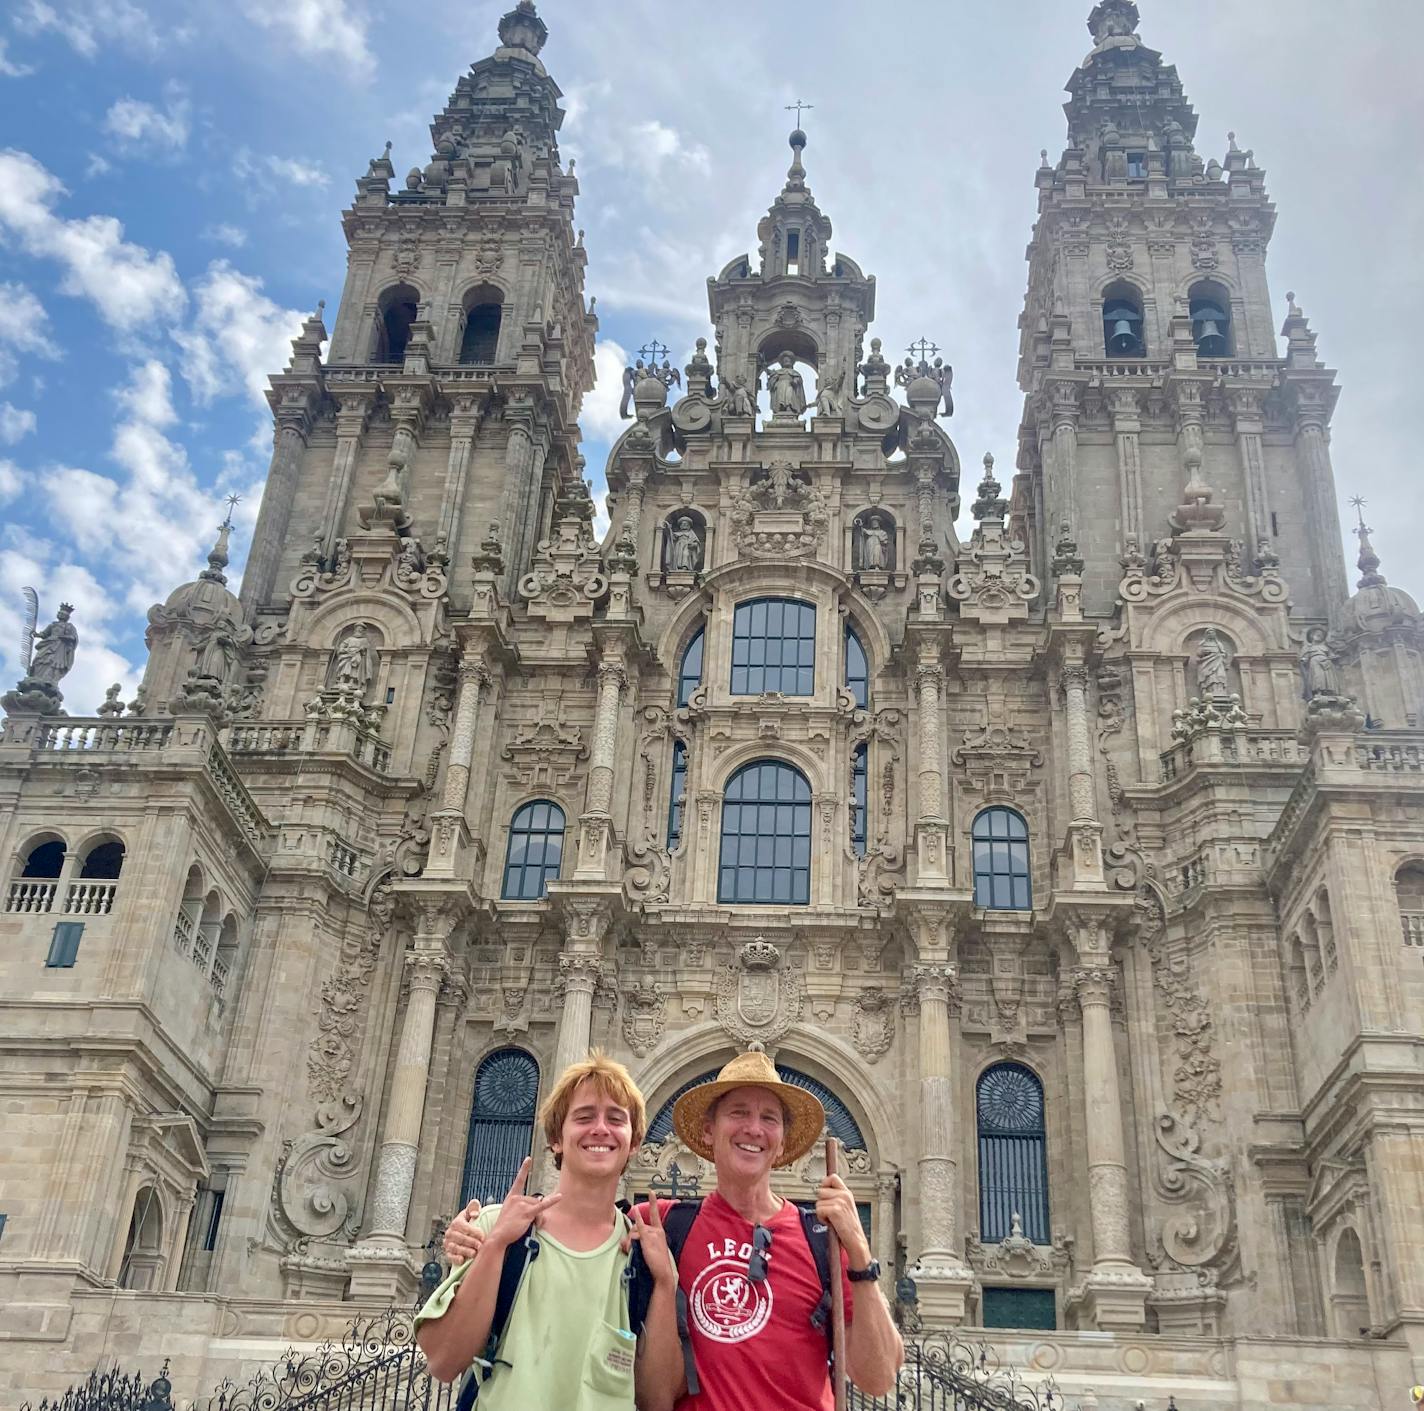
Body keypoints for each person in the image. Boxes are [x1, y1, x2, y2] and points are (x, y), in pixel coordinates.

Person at [444, 1050, 903, 1411]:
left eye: (769, 1118)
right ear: (708, 1132)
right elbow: (582, 1213)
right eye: (738, 1112)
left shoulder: (822, 1240)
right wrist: (479, 1233)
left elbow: (878, 1379)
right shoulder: (664, 1224)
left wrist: (861, 1253)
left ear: (783, 1141)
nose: (753, 1128)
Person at [417, 1053, 679, 1410]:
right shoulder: (499, 1226)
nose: (600, 1128)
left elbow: (658, 1400)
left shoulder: (644, 1255)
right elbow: (444, 1362)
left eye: (616, 1119)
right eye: (584, 1117)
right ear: (556, 1139)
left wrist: (665, 1284)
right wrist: (494, 1245)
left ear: (633, 1143)